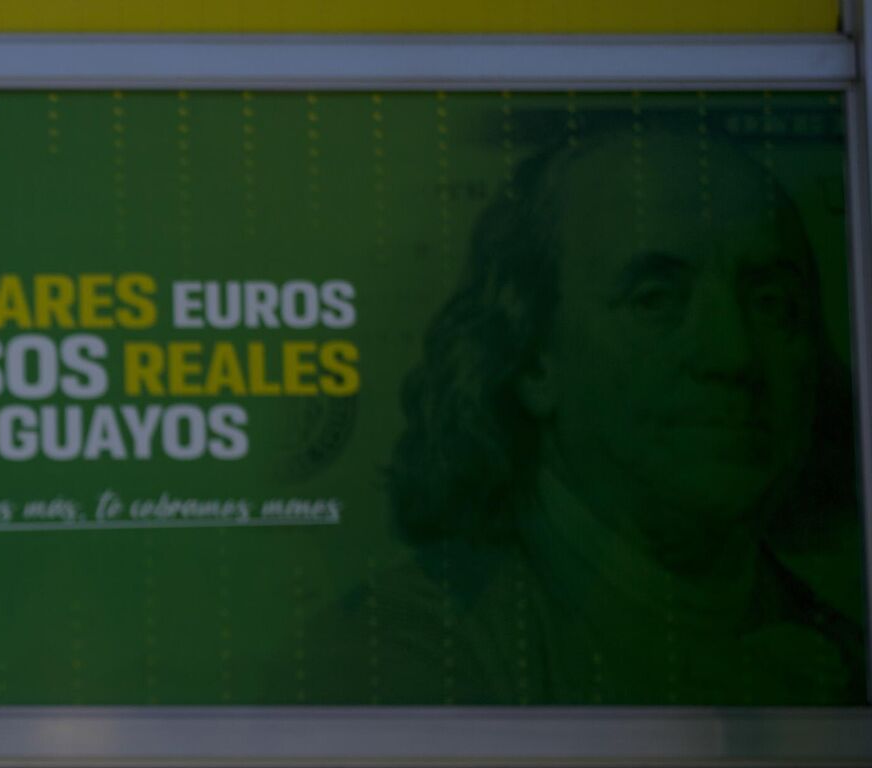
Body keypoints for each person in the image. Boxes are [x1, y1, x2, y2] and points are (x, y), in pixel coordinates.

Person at [317, 126, 865, 705]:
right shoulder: (397, 654)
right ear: (532, 359)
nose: (734, 354)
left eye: (774, 305)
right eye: (655, 299)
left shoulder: (849, 658)